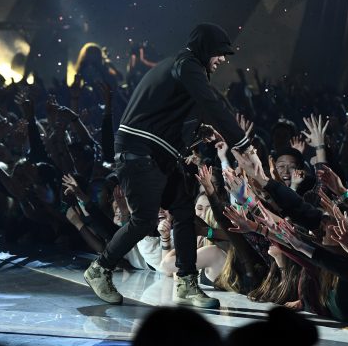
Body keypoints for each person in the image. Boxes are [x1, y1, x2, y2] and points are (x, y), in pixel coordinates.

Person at [83, 23, 262, 308]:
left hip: (158, 152)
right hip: (139, 150)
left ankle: (187, 283)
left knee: (182, 211)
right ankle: (99, 269)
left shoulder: (184, 68)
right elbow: (210, 101)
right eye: (220, 53)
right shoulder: (187, 64)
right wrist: (241, 144)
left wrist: (198, 131)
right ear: (205, 48)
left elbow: (167, 113)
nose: (223, 59)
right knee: (143, 219)